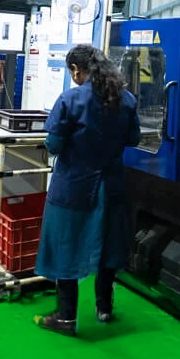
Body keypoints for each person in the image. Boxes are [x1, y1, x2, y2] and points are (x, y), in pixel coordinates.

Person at [33, 44, 141, 336]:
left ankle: (65, 316)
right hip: (112, 186)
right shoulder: (126, 99)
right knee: (108, 245)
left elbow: (54, 145)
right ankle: (104, 307)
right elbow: (133, 139)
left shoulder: (70, 99)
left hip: (74, 187)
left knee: (66, 245)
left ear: (76, 70)